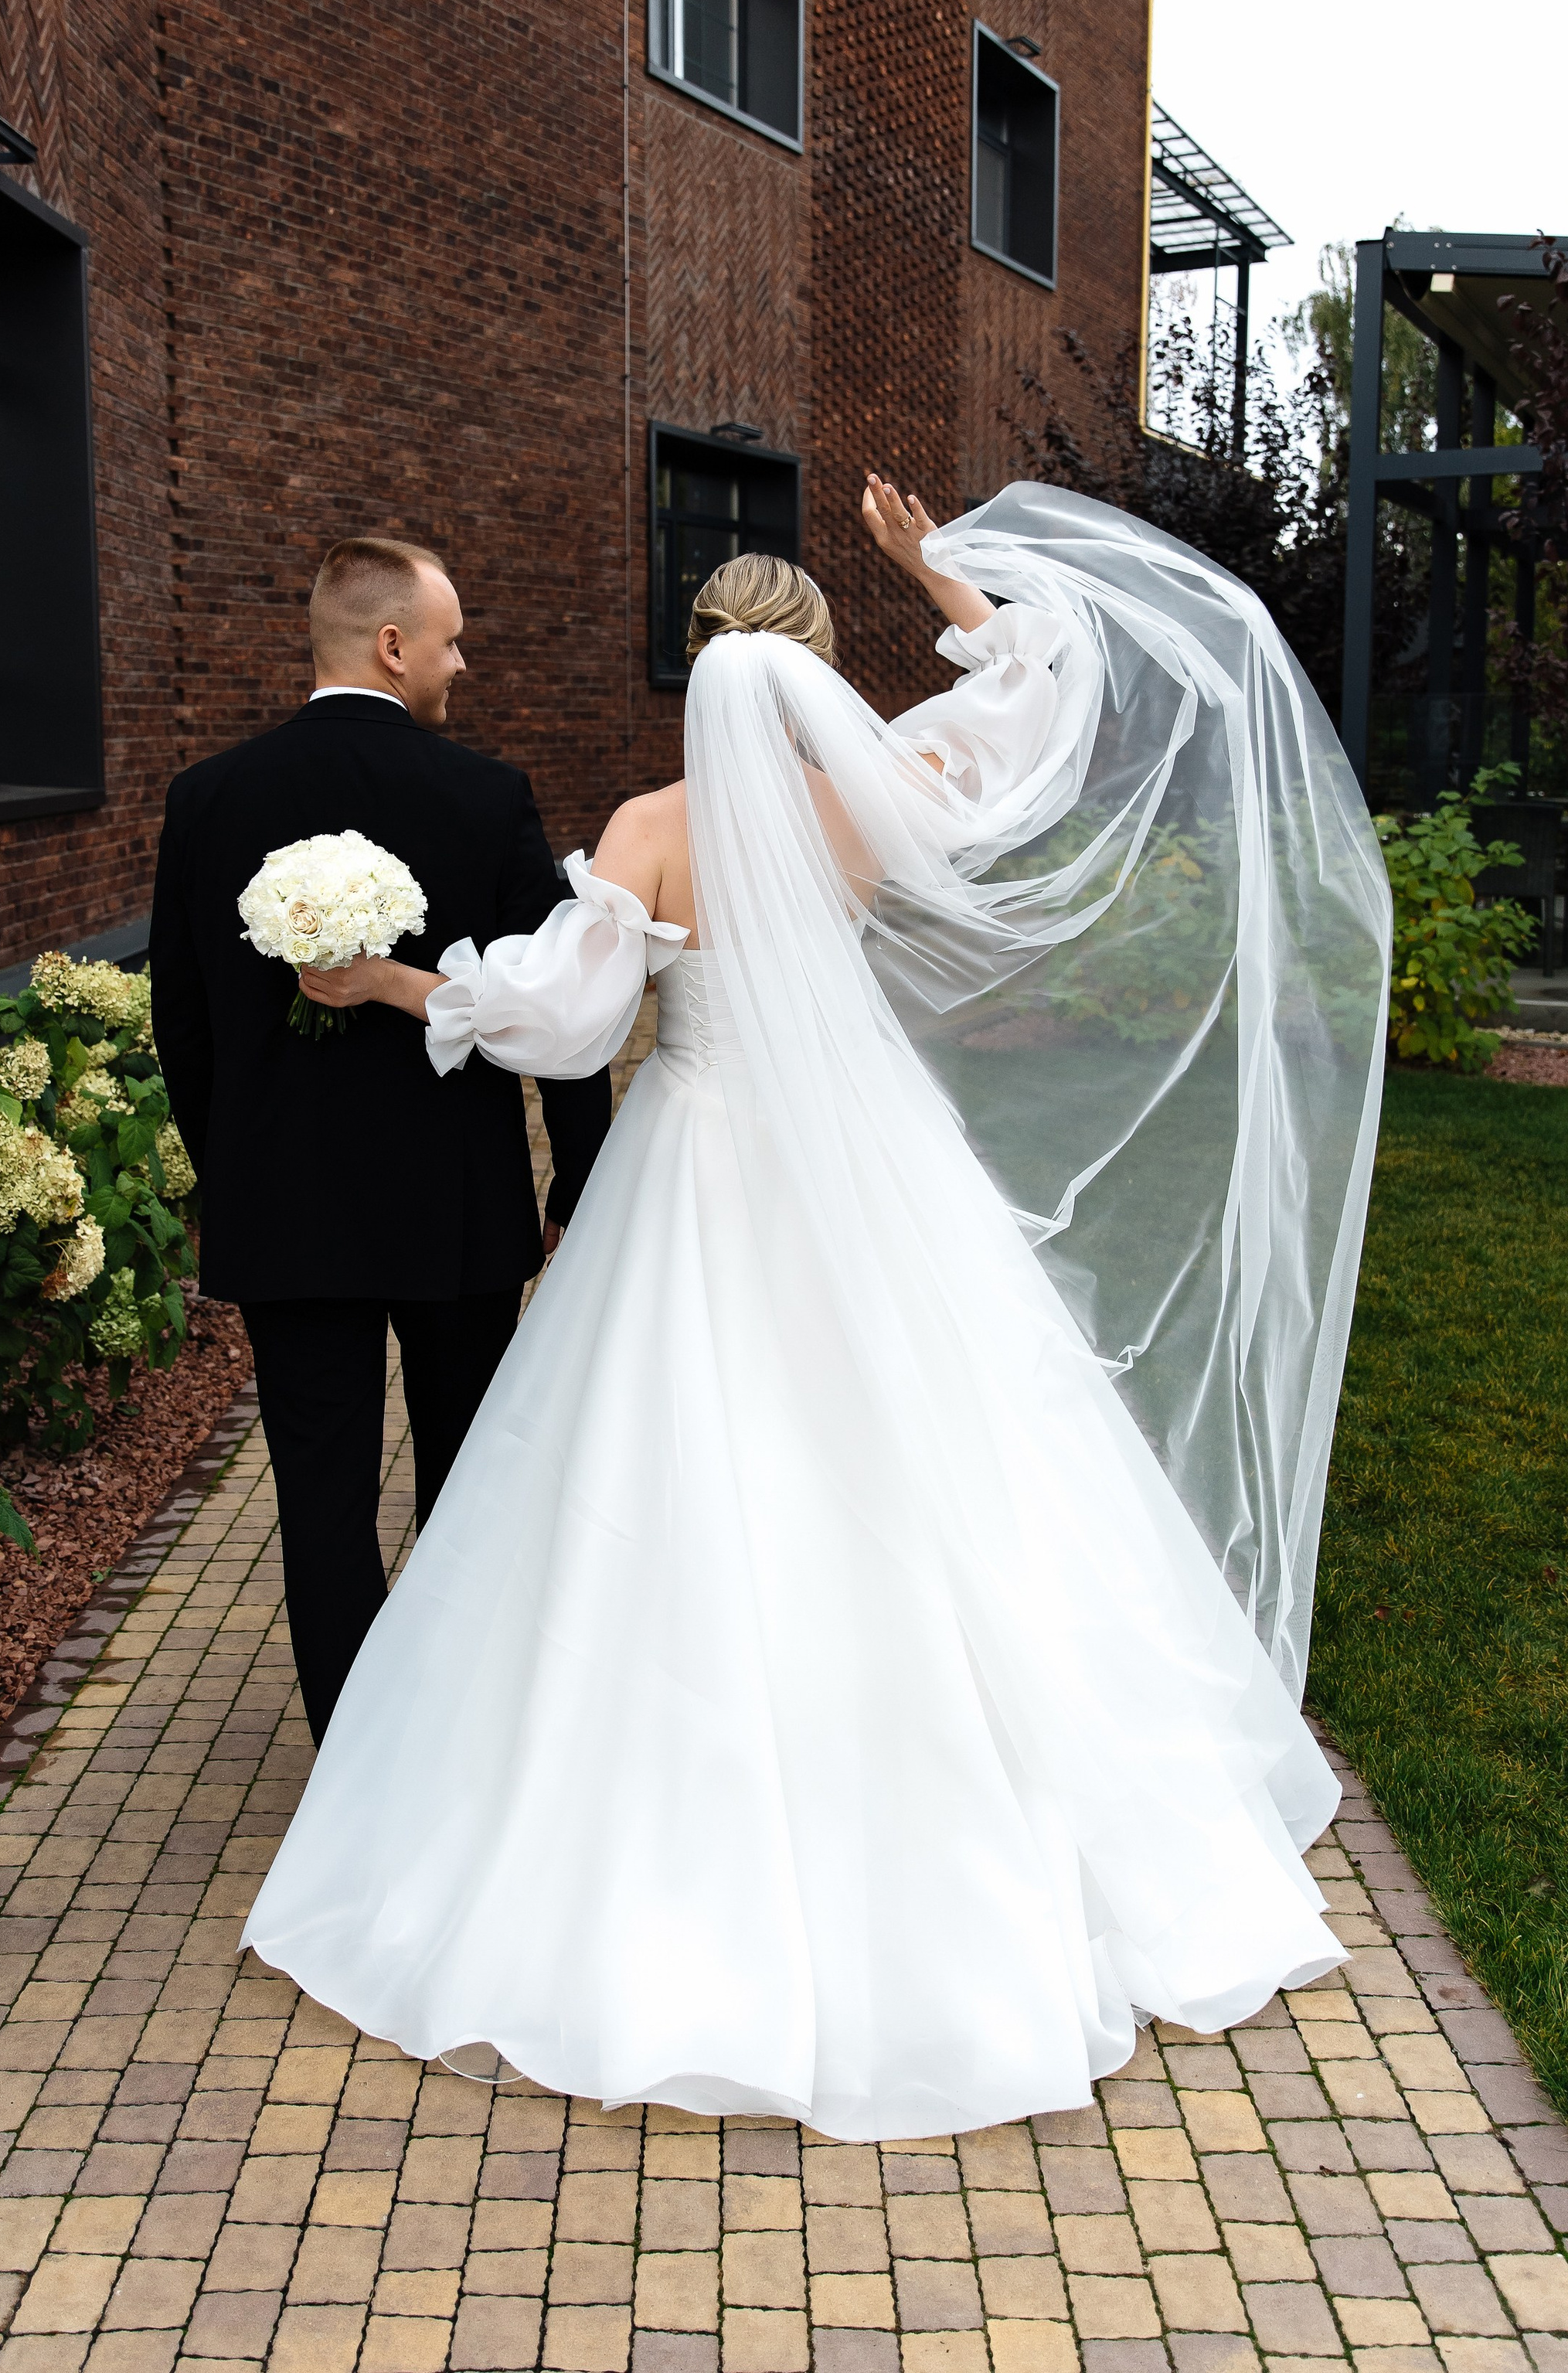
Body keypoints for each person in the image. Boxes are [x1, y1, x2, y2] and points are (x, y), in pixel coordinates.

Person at [240, 481, 1392, 2138]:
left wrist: (395, 980)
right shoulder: (881, 793)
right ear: (813, 669)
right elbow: (1039, 694)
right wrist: (943, 569)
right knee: (929, 1455)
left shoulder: (649, 824)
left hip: (696, 1163)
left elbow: (561, 1025)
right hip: (864, 1155)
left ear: (698, 665)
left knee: (666, 1484)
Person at [147, 536, 613, 1743]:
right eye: (452, 640)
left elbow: (181, 1023)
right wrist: (580, 1177)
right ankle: (454, 1747)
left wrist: (232, 1166)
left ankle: (354, 1757)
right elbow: (557, 1012)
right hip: (452, 1207)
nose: (463, 663)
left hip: (286, 1211)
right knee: (468, 1475)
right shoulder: (485, 795)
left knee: (319, 1490)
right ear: (393, 644)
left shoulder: (208, 799)